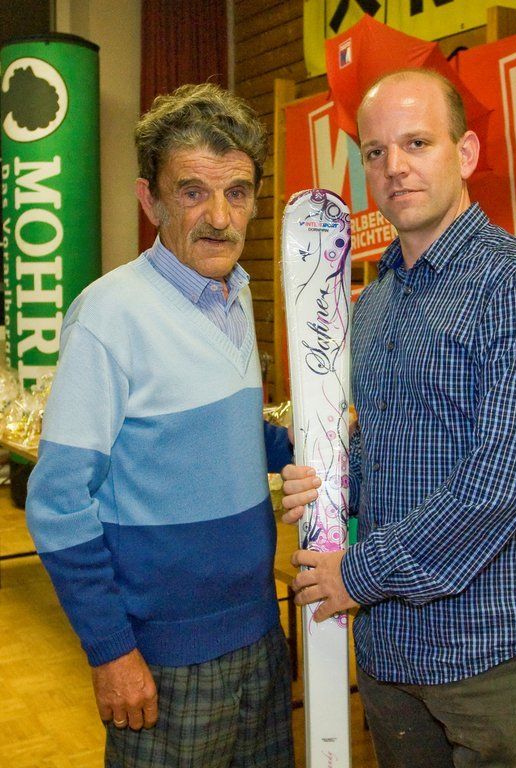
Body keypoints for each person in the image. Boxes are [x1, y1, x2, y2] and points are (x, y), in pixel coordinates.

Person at [281, 68, 516, 768]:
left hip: (499, 658)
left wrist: (355, 575)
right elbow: (383, 450)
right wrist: (328, 487)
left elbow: (500, 483)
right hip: (391, 656)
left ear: (466, 153)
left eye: (417, 143)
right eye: (375, 151)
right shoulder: (374, 301)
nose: (394, 166)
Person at [26, 83, 294, 768]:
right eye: (192, 192)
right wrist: (111, 651)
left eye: (236, 192)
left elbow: (227, 434)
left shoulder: (235, 297)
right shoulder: (108, 316)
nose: (219, 217)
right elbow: (57, 502)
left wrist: (306, 441)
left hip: (260, 634)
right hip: (164, 660)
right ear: (150, 200)